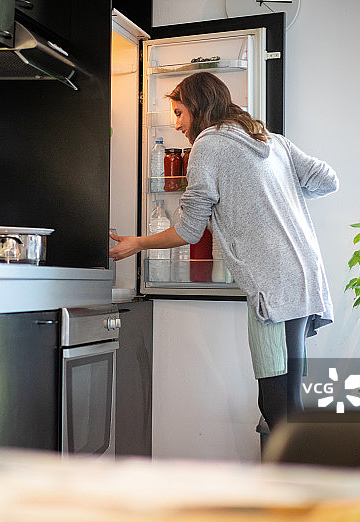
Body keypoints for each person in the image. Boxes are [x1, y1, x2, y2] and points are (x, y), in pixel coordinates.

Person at [109, 72, 338, 431]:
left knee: (276, 404)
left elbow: (188, 228)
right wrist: (278, 195)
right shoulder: (272, 141)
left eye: (180, 113)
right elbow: (327, 179)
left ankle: (293, 482)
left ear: (199, 108)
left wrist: (137, 243)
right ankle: (302, 479)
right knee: (290, 397)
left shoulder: (208, 144)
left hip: (272, 286)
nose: (177, 123)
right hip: (305, 276)